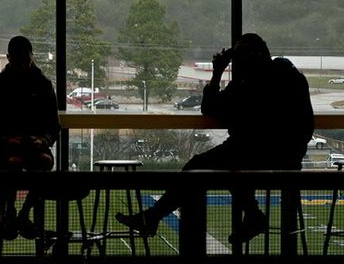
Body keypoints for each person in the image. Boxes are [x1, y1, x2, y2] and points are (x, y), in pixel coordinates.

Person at [116, 33, 314, 244]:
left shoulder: (248, 83)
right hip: (280, 156)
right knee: (226, 165)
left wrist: (217, 73)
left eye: (241, 54)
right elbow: (303, 124)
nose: (239, 60)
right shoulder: (286, 77)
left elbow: (210, 108)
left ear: (255, 55)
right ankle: (252, 216)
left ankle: (154, 217)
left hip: (255, 153)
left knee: (199, 166)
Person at [0, 35, 61, 240]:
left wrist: (5, 141)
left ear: (8, 57)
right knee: (42, 164)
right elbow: (54, 126)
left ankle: (10, 213)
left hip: (5, 153)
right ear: (32, 56)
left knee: (13, 166)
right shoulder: (43, 84)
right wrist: (42, 141)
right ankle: (24, 214)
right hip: (32, 150)